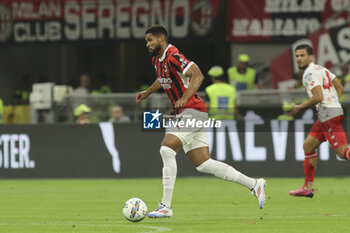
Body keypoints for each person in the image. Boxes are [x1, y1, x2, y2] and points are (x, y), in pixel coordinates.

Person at [136, 25, 266, 218]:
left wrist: (185, 97)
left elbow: (197, 74)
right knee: (204, 164)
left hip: (192, 110)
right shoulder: (157, 60)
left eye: (150, 40)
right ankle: (255, 184)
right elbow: (162, 79)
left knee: (166, 148)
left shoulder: (173, 55)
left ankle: (166, 206)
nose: (147, 44)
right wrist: (147, 92)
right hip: (187, 112)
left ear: (161, 39)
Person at [289, 44, 350, 197]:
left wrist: (299, 107)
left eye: (302, 55)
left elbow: (318, 97)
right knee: (308, 146)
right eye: (297, 56)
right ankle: (307, 187)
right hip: (327, 114)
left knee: (343, 153)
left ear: (311, 57)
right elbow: (339, 87)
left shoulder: (308, 74)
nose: (299, 59)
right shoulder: (321, 69)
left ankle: (307, 187)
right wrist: (333, 103)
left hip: (329, 115)